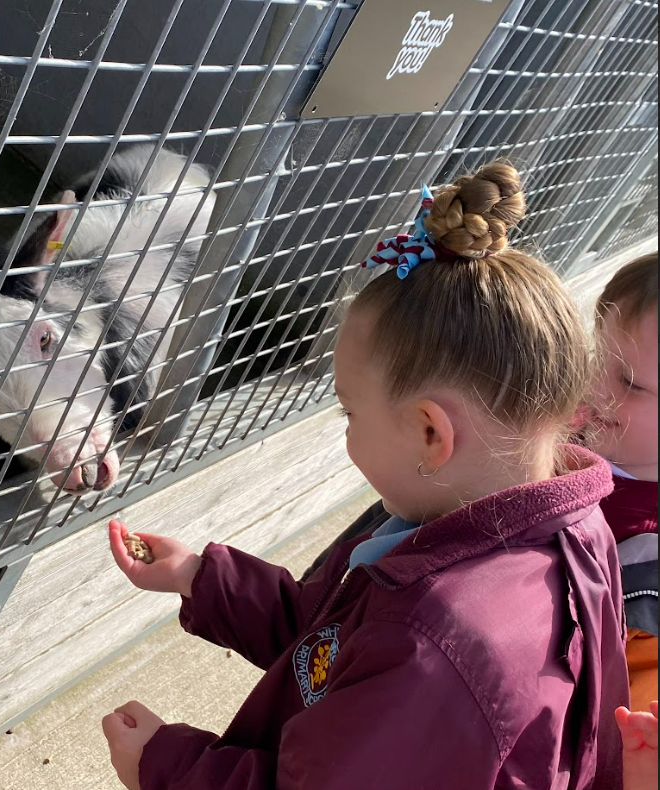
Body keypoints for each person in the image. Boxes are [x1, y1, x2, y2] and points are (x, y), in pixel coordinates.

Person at [101, 163, 630, 790]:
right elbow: (333, 647)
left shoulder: (435, 645)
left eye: (349, 411)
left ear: (431, 433)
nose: (346, 428)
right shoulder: (553, 529)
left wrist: (165, 766)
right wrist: (200, 579)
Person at [589, 254, 659, 789]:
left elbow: (621, 718)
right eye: (596, 355)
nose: (595, 385)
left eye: (631, 383)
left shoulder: (643, 559)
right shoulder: (546, 436)